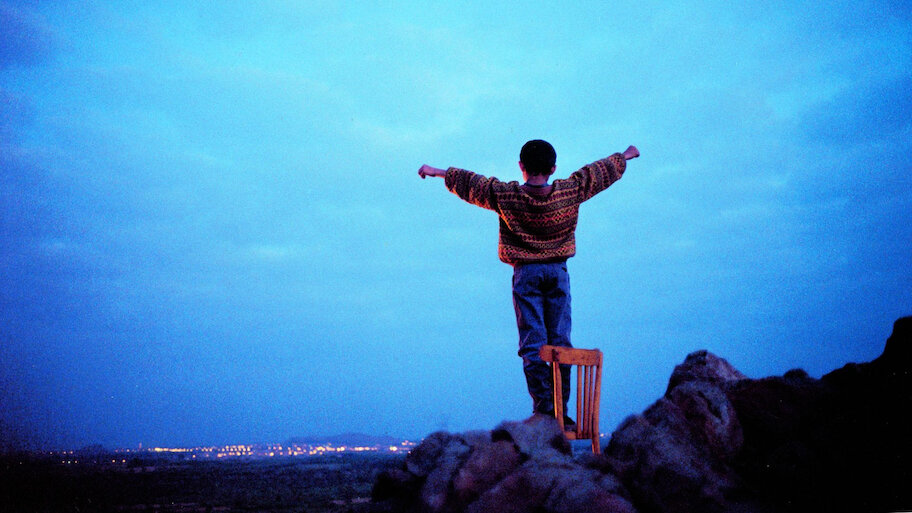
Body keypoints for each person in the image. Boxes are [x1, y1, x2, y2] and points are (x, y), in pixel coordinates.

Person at [418, 140, 640, 423]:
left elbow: (472, 183)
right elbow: (598, 173)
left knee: (532, 343)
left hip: (526, 274)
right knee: (560, 343)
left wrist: (437, 172)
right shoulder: (569, 191)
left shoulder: (507, 196)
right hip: (558, 273)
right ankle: (561, 412)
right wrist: (625, 156)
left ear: (521, 166)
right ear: (553, 169)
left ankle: (544, 411)